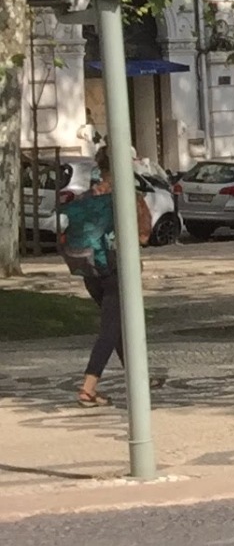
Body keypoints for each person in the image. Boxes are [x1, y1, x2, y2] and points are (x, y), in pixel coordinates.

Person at [58, 173, 122, 408]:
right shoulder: (117, 202)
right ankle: (88, 388)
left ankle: (139, 378)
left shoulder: (84, 199)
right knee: (110, 329)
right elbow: (142, 235)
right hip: (113, 271)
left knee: (118, 327)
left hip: (88, 270)